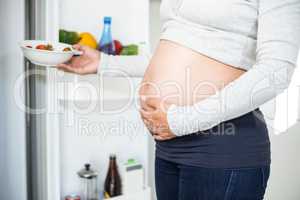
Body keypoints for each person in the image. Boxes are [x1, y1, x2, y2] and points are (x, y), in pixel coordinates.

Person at [58, 0, 300, 199]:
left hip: (221, 150)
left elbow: (276, 71)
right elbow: (179, 51)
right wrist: (104, 62)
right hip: (168, 148)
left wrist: (182, 120)